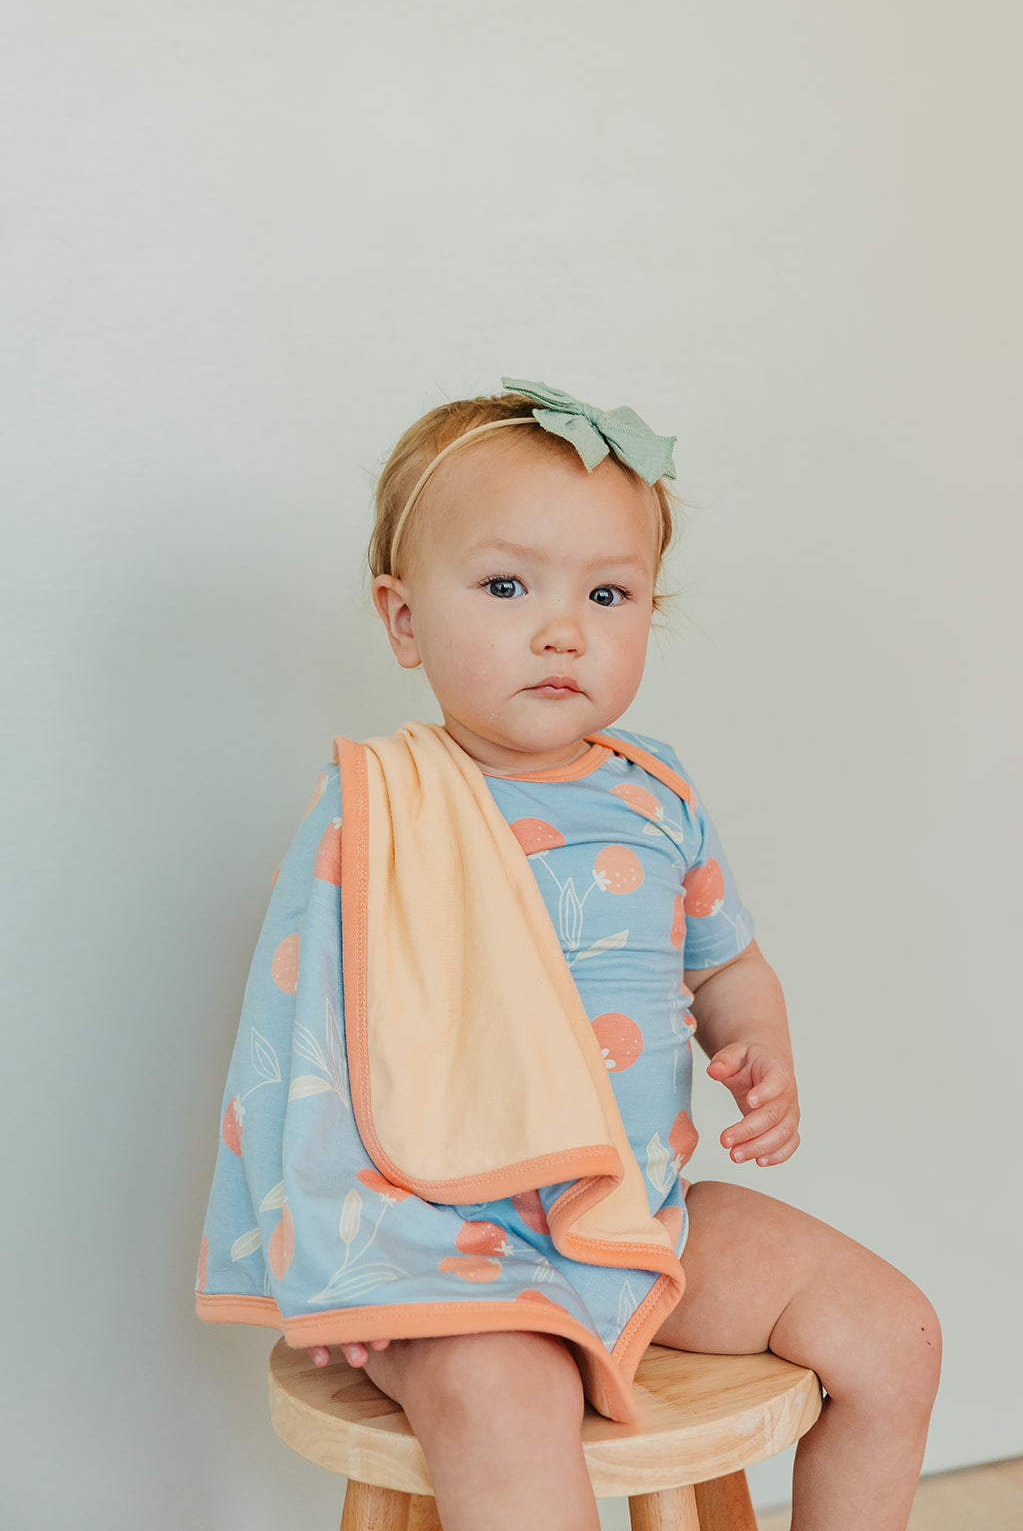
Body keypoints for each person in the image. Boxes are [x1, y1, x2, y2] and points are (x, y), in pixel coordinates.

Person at [198, 380, 940, 1531]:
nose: (563, 629)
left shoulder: (655, 792)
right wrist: (340, 1245)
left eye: (607, 592)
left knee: (892, 1331)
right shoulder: (378, 807)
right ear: (403, 618)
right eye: (507, 586)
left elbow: (725, 964)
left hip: (640, 1216)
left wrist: (758, 1044)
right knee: (508, 1398)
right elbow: (302, 1043)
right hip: (444, 1240)